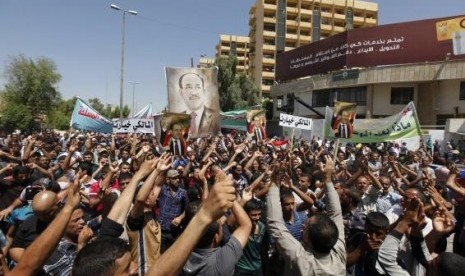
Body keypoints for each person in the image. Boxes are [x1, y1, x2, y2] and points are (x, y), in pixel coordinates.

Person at [178, 72, 220, 136]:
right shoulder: (176, 120)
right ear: (181, 92)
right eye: (188, 87)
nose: (194, 93)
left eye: (198, 87)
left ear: (203, 91)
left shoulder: (215, 116)